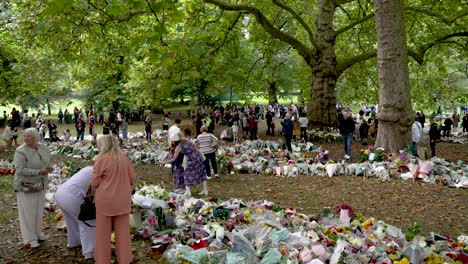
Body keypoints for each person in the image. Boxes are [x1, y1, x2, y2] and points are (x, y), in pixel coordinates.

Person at [92, 135, 135, 264]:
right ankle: (125, 259)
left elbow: (94, 182)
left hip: (105, 200)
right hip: (122, 200)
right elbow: (132, 177)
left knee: (103, 233)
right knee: (123, 233)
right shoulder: (124, 159)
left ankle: (102, 260)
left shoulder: (101, 159)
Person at [13, 128, 52, 248]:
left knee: (39, 210)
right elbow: (20, 170)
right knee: (28, 212)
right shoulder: (20, 151)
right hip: (26, 185)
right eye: (24, 136)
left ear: (36, 137)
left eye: (29, 136)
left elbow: (48, 161)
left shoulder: (43, 148)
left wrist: (49, 168)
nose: (26, 138)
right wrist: (39, 171)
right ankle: (29, 239)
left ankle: (38, 233)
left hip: (41, 184)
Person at [55, 166, 96, 259]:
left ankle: (74, 242)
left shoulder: (89, 168)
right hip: (73, 197)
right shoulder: (101, 173)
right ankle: (90, 252)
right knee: (89, 222)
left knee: (71, 221)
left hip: (60, 193)